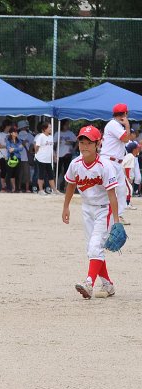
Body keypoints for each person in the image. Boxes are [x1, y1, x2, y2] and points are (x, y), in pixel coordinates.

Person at [62, 125, 119, 299]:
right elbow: (71, 185)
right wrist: (66, 207)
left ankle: (89, 283)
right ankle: (108, 285)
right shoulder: (75, 164)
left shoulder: (105, 165)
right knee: (92, 249)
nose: (85, 146)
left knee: (95, 247)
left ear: (98, 144)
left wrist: (116, 221)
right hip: (86, 208)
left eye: (89, 143)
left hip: (104, 209)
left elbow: (112, 194)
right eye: (82, 142)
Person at [102, 103, 131, 223]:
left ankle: (118, 215)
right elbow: (126, 139)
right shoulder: (113, 124)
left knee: (121, 190)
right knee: (110, 190)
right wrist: (127, 125)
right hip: (109, 161)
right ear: (125, 114)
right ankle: (106, 215)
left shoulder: (116, 125)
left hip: (116, 162)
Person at [33, 121, 57, 195]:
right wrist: (37, 155)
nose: (51, 129)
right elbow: (36, 147)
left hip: (48, 160)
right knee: (41, 175)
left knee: (51, 175)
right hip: (41, 159)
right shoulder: (41, 136)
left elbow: (51, 148)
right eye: (49, 127)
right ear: (44, 129)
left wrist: (54, 156)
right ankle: (41, 190)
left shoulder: (51, 137)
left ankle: (54, 190)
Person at [55, 119, 76, 190]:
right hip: (59, 154)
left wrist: (73, 148)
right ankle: (55, 186)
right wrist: (58, 142)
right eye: (66, 124)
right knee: (57, 171)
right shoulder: (57, 133)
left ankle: (66, 186)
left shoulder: (70, 133)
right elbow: (54, 144)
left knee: (67, 171)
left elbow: (77, 141)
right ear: (62, 125)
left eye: (68, 124)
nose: (67, 126)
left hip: (68, 154)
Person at [16, 120, 35, 193]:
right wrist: (29, 148)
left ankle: (20, 188)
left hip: (19, 157)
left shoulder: (17, 135)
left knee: (20, 173)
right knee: (26, 173)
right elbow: (33, 144)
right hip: (25, 157)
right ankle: (26, 188)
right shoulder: (29, 135)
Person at [5, 127, 24, 193]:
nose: (16, 133)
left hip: (18, 158)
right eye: (15, 132)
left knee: (17, 174)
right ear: (11, 133)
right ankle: (9, 188)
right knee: (9, 173)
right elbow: (9, 149)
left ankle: (17, 188)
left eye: (17, 132)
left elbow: (21, 148)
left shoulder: (19, 140)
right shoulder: (8, 140)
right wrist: (17, 148)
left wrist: (14, 149)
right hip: (10, 158)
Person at [123, 141, 141, 210]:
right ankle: (127, 204)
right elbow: (127, 168)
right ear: (134, 150)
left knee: (127, 190)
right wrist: (128, 177)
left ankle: (126, 203)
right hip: (124, 176)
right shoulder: (131, 156)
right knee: (129, 189)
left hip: (123, 175)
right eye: (137, 148)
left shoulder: (130, 156)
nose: (138, 149)